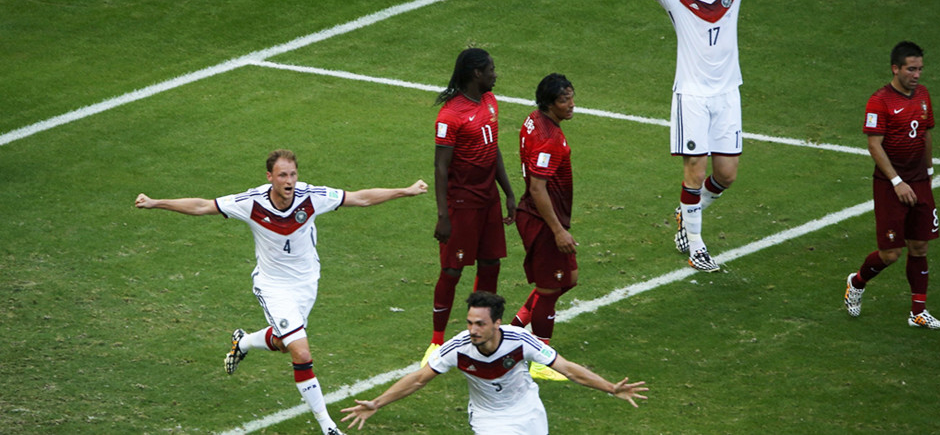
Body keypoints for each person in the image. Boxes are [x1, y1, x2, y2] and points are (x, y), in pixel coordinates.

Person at [584, 0, 838, 272]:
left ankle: (688, 212)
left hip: (727, 94)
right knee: (695, 169)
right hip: (692, 96)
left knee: (727, 174)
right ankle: (696, 245)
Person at [134, 149, 429, 434]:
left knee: (285, 340)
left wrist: (405, 190)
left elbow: (361, 199)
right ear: (270, 177)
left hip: (307, 283)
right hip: (273, 286)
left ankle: (244, 342)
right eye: (282, 175)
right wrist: (156, 202)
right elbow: (202, 206)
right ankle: (328, 426)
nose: (289, 181)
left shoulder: (311, 196)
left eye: (293, 174)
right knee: (300, 351)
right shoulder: (251, 202)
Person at [340, 291, 647, 434]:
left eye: (479, 324)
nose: (472, 329)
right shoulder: (458, 348)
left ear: (497, 323)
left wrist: (610, 388)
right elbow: (419, 379)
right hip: (490, 419)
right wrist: (377, 403)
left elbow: (567, 369)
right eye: (470, 322)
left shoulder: (520, 341)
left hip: (528, 410)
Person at [843, 41, 940, 329]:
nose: (917, 75)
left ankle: (918, 313)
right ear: (895, 69)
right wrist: (897, 181)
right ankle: (857, 282)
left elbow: (925, 134)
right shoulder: (880, 101)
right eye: (911, 69)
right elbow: (874, 145)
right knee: (891, 254)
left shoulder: (923, 95)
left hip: (919, 180)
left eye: (920, 69)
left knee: (920, 247)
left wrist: (928, 171)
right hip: (891, 185)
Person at [425, 48, 516, 366]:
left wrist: (507, 191)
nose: (495, 73)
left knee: (491, 264)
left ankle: (484, 331)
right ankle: (436, 342)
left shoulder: (490, 102)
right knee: (452, 270)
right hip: (462, 204)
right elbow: (440, 167)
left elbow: (494, 150)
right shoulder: (450, 116)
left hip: (488, 200)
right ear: (476, 73)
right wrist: (443, 215)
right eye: (491, 69)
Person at [510, 73, 577, 381]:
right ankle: (541, 360)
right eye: (565, 100)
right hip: (542, 220)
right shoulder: (549, 139)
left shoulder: (534, 119)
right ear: (550, 104)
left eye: (572, 97)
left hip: (544, 215)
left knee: (568, 279)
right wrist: (558, 230)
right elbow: (538, 188)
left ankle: (513, 330)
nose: (572, 105)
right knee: (549, 289)